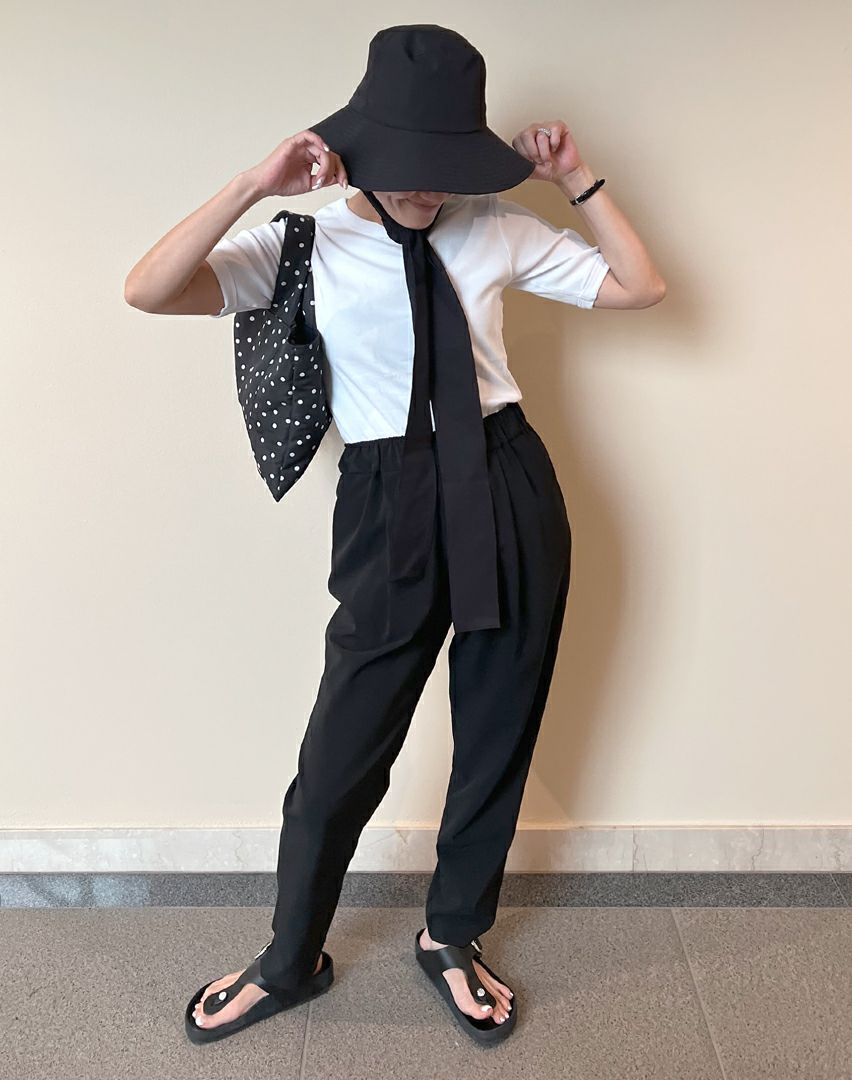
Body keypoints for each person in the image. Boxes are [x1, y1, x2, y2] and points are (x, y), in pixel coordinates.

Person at [124, 24, 665, 1047]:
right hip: (388, 497)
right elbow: (148, 289)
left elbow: (641, 288)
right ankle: (289, 957)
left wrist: (578, 180)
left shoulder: (494, 227)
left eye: (446, 164)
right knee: (340, 753)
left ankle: (452, 934)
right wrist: (253, 185)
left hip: (508, 479)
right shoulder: (303, 243)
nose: (427, 187)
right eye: (409, 164)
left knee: (497, 729)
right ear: (359, 149)